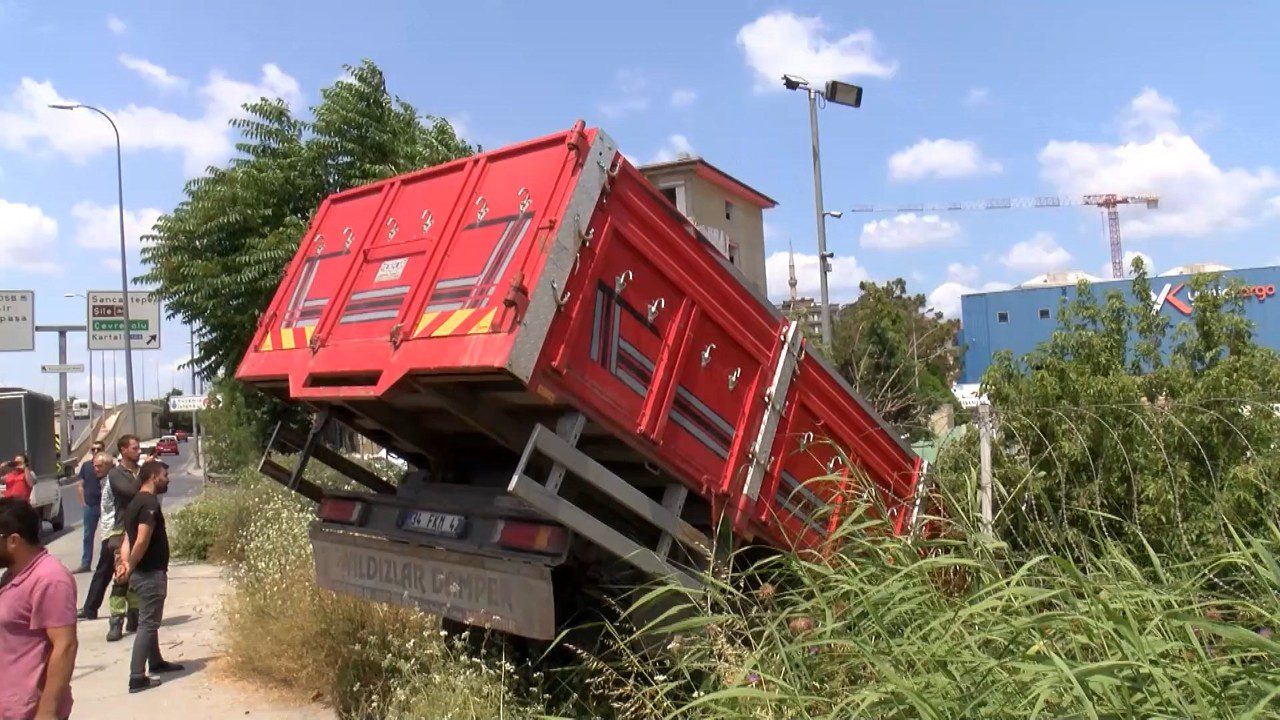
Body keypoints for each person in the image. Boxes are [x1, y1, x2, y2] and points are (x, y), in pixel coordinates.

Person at [0, 498, 78, 719]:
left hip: (29, 712)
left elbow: (65, 646)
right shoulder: (12, 575)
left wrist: (47, 712)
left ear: (13, 541)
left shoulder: (50, 579)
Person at [116, 460, 182, 693]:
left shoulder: (134, 502)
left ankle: (155, 661)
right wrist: (131, 565)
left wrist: (125, 564)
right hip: (149, 573)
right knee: (148, 624)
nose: (167, 479)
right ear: (154, 477)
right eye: (165, 475)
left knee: (149, 619)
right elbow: (142, 539)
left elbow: (127, 538)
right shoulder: (149, 503)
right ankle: (137, 677)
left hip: (140, 573)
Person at [104, 435, 142, 641]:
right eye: (134, 448)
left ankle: (134, 615)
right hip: (122, 531)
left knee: (137, 577)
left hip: (141, 530)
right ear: (123, 450)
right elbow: (131, 491)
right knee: (121, 576)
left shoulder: (140, 471)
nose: (139, 451)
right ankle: (116, 621)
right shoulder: (116, 474)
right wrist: (145, 475)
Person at [76, 452, 117, 622]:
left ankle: (91, 608)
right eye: (95, 466)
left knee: (105, 571)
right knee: (104, 572)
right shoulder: (104, 481)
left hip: (115, 533)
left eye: (100, 466)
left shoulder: (115, 482)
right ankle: (90, 608)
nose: (96, 469)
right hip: (109, 532)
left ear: (108, 466)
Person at [73, 443, 105, 574]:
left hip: (105, 506)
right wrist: (83, 502)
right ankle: (85, 564)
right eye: (93, 449)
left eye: (98, 449)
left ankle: (108, 564)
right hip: (90, 505)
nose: (96, 451)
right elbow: (80, 484)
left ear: (103, 450)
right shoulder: (86, 466)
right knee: (88, 536)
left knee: (108, 535)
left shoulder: (109, 465)